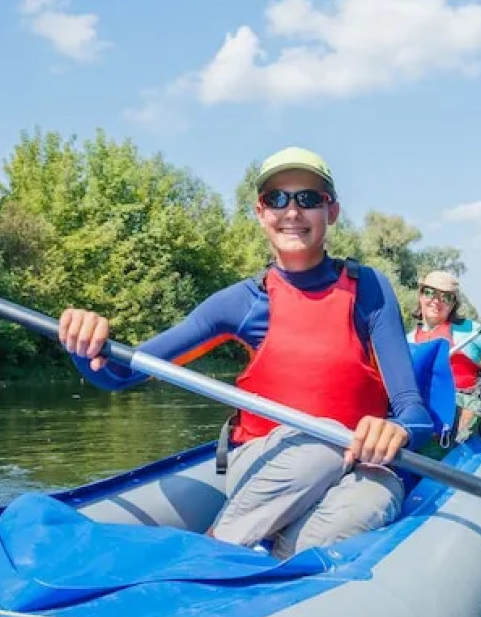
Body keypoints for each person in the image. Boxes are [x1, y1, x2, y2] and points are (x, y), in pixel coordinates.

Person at [57, 147, 434, 559]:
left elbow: (413, 411)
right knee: (321, 442)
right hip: (272, 463)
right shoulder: (241, 302)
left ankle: (265, 568)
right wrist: (84, 342)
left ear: (333, 211)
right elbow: (118, 374)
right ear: (260, 213)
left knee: (373, 497)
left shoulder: (370, 290)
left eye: (308, 199)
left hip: (359, 466)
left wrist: (397, 431)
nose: (291, 211)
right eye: (277, 198)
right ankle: (213, 554)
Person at [408, 270, 481, 441]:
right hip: (428, 410)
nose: (436, 301)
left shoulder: (470, 330)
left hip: (467, 404)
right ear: (420, 296)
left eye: (446, 297)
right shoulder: (407, 340)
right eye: (430, 293)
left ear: (453, 304)